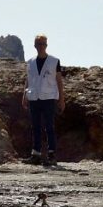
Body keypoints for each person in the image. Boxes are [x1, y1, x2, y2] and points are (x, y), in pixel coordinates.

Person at [22, 34, 65, 166]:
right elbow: (28, 79)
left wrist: (61, 99)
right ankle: (36, 154)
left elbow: (59, 80)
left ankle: (52, 154)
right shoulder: (30, 62)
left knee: (49, 126)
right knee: (35, 126)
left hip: (48, 98)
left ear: (46, 45)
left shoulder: (54, 61)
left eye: (43, 44)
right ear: (35, 45)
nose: (41, 46)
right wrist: (24, 96)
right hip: (34, 97)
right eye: (39, 44)